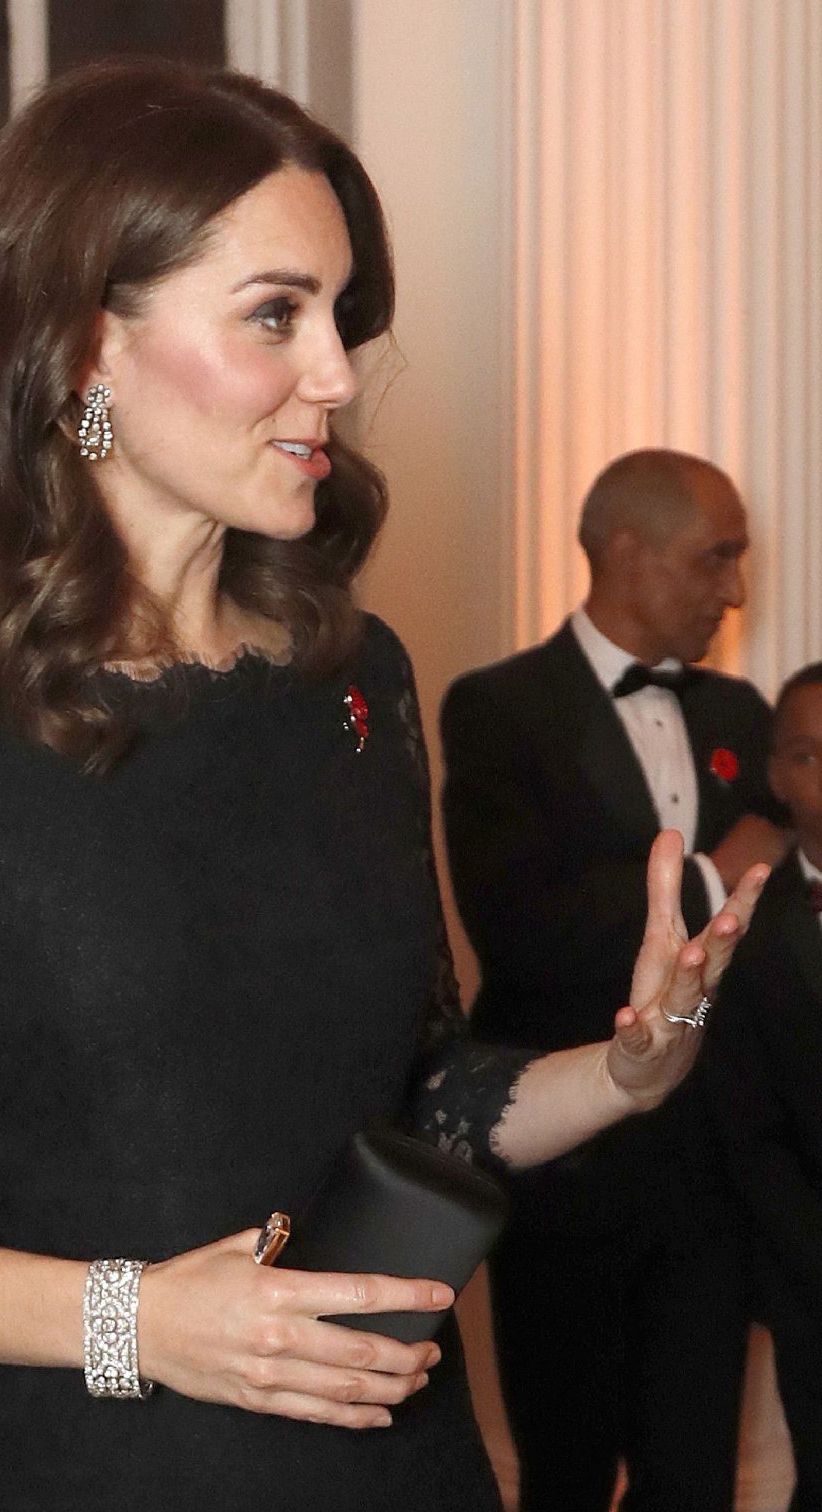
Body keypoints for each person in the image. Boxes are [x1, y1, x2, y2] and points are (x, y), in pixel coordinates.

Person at [0, 65, 767, 1512]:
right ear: (87, 348)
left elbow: (420, 1098)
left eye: (336, 313)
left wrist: (625, 1072)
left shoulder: (353, 680)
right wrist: (134, 1323)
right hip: (105, 1470)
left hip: (410, 1469)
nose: (336, 370)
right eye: (275, 314)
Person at [440, 448, 791, 1512]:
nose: (733, 588)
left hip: (711, 1174)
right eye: (715, 558)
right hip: (566, 1169)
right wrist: (708, 873)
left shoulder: (740, 712)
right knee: (566, 1471)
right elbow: (522, 928)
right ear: (624, 551)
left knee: (693, 1476)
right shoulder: (497, 708)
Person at [708, 663, 822, 1512]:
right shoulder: (749, 926)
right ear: (777, 773)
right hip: (811, 1272)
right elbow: (749, 1127)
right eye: (808, 755)